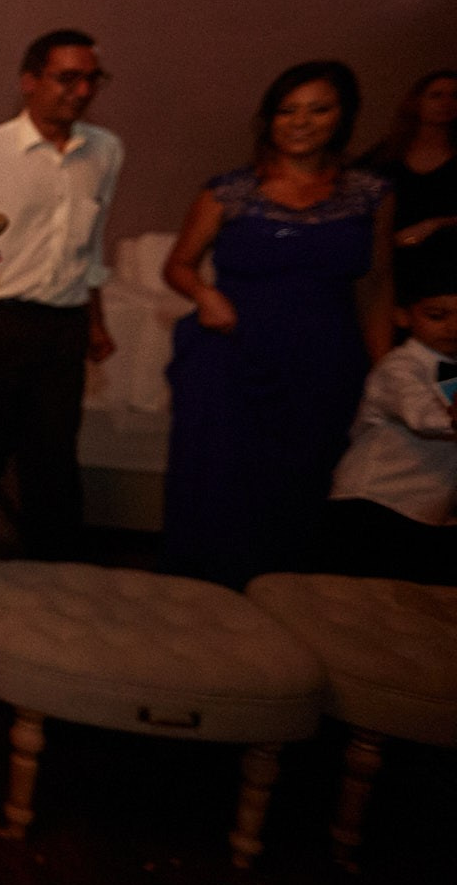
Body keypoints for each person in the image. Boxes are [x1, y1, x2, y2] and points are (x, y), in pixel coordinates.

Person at [162, 61, 394, 584]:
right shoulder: (230, 191)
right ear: (269, 119)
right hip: (232, 353)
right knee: (220, 480)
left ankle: (288, 599)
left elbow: (377, 283)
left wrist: (381, 367)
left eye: (318, 109)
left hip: (324, 357)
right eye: (288, 110)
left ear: (343, 116)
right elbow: (178, 264)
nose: (301, 122)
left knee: (308, 477)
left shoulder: (370, 193)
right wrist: (204, 293)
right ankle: (207, 595)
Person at [0, 29, 123, 571]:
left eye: (92, 78)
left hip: (62, 324)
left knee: (54, 459)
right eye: (68, 77)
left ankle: (55, 582)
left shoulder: (104, 152)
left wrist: (95, 321)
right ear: (30, 82)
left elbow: (91, 244)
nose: (81, 90)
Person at [320, 244, 457, 585]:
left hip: (426, 510)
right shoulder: (399, 368)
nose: (452, 327)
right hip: (373, 504)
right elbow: (423, 415)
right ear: (402, 316)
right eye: (436, 315)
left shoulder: (451, 369)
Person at [360, 69, 457, 297]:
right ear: (416, 101)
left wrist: (435, 224)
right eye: (436, 95)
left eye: (454, 96)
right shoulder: (386, 156)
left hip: (448, 264)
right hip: (396, 264)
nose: (446, 103)